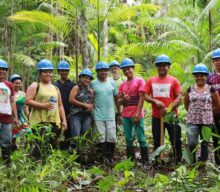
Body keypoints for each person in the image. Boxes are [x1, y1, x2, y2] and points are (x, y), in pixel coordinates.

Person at [136, 54, 182, 164]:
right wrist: (155, 101)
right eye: (159, 65)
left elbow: (179, 98)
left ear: (168, 67)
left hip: (171, 116)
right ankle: (157, 161)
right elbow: (145, 95)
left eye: (164, 65)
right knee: (157, 140)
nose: (162, 67)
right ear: (157, 67)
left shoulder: (174, 81)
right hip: (157, 116)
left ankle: (177, 161)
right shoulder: (151, 80)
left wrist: (169, 109)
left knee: (175, 140)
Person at [25, 59, 67, 159]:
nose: (48, 74)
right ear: (40, 73)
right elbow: (28, 101)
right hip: (39, 121)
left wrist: (64, 120)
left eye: (50, 72)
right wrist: (43, 106)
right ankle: (34, 166)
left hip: (53, 121)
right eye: (45, 72)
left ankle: (46, 166)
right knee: (40, 143)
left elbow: (60, 105)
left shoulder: (55, 88)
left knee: (51, 144)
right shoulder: (36, 85)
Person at [184, 64, 220, 163]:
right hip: (192, 120)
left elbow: (217, 105)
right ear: (195, 76)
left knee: (205, 143)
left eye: (202, 75)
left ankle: (203, 163)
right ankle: (192, 163)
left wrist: (208, 113)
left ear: (206, 76)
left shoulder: (212, 90)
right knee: (192, 143)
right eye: (197, 75)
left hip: (207, 121)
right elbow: (186, 104)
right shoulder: (190, 89)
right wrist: (194, 112)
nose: (200, 77)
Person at [118, 58, 148, 165]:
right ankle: (130, 161)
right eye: (124, 70)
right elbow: (119, 101)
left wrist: (138, 113)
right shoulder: (122, 85)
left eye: (128, 69)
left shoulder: (140, 81)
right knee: (128, 138)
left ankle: (145, 161)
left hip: (136, 115)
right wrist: (123, 99)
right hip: (126, 115)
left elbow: (142, 97)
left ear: (133, 68)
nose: (127, 71)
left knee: (141, 138)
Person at [90, 62, 120, 162]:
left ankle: (110, 157)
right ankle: (101, 158)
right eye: (101, 70)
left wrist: (119, 112)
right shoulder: (93, 83)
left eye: (105, 70)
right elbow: (91, 99)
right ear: (97, 72)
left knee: (111, 137)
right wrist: (91, 115)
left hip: (111, 115)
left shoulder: (112, 83)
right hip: (98, 115)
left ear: (108, 71)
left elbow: (116, 98)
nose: (104, 72)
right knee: (100, 138)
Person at [69, 68, 94, 148]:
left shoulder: (91, 91)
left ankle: (84, 156)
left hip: (86, 116)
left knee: (86, 136)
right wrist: (84, 105)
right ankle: (74, 155)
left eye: (89, 78)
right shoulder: (76, 88)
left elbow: (92, 103)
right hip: (76, 115)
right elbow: (71, 100)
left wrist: (90, 107)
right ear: (81, 78)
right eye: (85, 78)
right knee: (76, 136)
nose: (87, 80)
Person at [0, 59, 18, 166]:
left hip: (7, 118)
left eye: (3, 69)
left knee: (6, 142)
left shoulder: (9, 85)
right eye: (0, 69)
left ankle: (7, 166)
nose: (1, 71)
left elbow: (12, 102)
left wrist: (15, 117)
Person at [54, 60, 75, 150]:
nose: (64, 72)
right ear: (59, 72)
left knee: (69, 133)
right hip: (57, 113)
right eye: (62, 70)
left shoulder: (72, 85)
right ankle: (55, 149)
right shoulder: (55, 85)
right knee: (56, 132)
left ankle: (65, 150)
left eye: (66, 71)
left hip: (69, 112)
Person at [10, 74, 32, 151]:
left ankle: (27, 152)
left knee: (29, 133)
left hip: (22, 117)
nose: (18, 85)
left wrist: (28, 116)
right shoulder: (9, 93)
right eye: (16, 83)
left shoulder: (23, 93)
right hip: (12, 118)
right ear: (11, 83)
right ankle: (13, 153)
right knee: (13, 137)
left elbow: (25, 106)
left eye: (19, 83)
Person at [207, 48, 220, 165]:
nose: (218, 62)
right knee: (216, 136)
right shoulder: (210, 77)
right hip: (214, 111)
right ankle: (218, 161)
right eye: (215, 60)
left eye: (219, 59)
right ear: (213, 62)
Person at [109, 60, 125, 131]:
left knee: (124, 125)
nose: (114, 70)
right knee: (113, 127)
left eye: (115, 68)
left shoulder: (124, 79)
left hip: (123, 106)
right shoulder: (108, 80)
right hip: (111, 107)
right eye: (112, 69)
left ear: (119, 69)